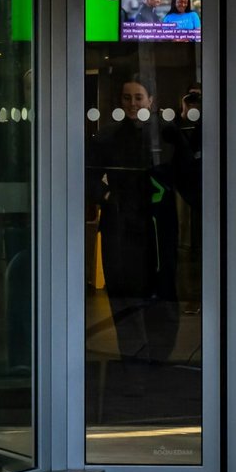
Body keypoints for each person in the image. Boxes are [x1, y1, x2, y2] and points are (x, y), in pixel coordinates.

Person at [87, 73, 200, 402]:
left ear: (151, 100)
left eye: (138, 98)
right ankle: (134, 374)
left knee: (163, 299)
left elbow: (190, 179)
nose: (133, 104)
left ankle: (158, 367)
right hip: (120, 228)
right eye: (127, 98)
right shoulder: (106, 137)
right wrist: (107, 199)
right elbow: (89, 178)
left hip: (159, 227)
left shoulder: (169, 135)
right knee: (125, 300)